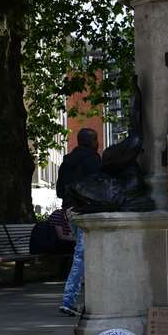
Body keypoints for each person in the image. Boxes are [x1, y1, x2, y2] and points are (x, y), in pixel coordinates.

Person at [55, 128, 102, 316]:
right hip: (85, 211)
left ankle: (79, 298)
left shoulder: (66, 161)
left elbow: (59, 191)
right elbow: (98, 186)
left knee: (82, 254)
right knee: (82, 256)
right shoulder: (94, 159)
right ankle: (69, 300)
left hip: (70, 211)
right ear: (92, 142)